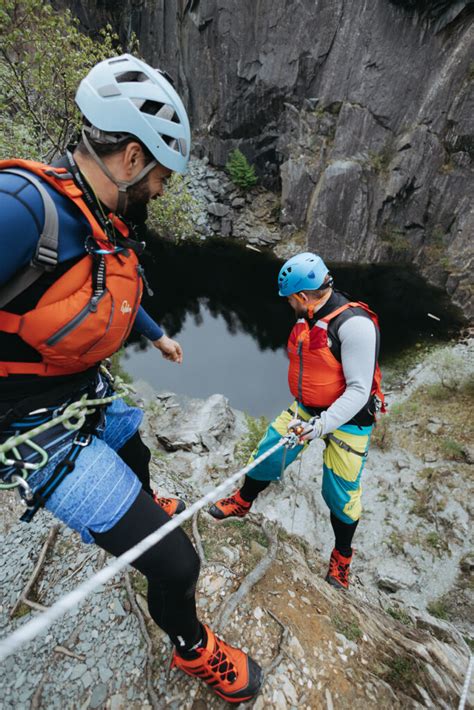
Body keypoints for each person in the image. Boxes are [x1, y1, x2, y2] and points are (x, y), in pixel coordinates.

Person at [0, 54, 262, 703]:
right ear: (129, 158)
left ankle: (142, 513)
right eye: (162, 175)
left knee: (135, 441)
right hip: (37, 431)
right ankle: (193, 649)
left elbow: (100, 282)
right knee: (179, 564)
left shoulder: (91, 212)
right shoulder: (19, 213)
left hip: (78, 391)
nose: (164, 191)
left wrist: (153, 332)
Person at [210, 252, 385, 590]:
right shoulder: (311, 314)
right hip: (308, 408)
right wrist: (311, 417)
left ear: (302, 296)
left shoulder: (355, 326)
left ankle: (342, 558)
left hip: (349, 419)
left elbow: (360, 389)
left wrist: (320, 426)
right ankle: (242, 501)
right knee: (269, 452)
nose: (288, 304)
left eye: (289, 298)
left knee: (341, 494)